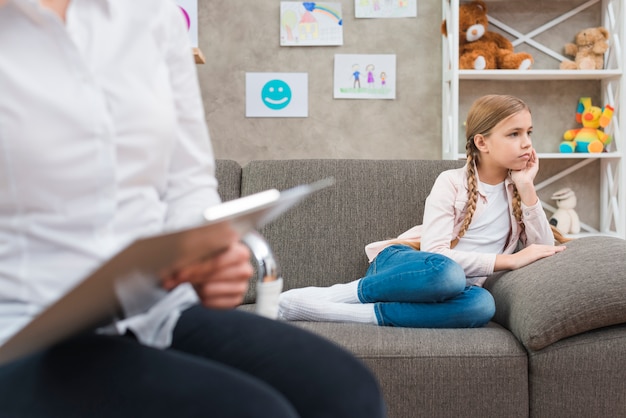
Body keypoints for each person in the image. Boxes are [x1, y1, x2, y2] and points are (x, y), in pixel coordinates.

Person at [0, 1, 386, 417]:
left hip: (150, 307)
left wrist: (209, 255)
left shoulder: (150, 14)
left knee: (345, 392)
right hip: (20, 326)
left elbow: (188, 180)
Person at [278, 94, 568, 327]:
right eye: (514, 134)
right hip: (411, 265)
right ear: (482, 142)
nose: (527, 143)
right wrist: (507, 261)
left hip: (456, 288)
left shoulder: (518, 188)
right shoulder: (451, 182)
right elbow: (437, 255)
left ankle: (347, 314)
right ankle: (338, 294)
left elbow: (543, 250)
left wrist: (527, 189)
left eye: (529, 132)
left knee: (482, 305)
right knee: (448, 274)